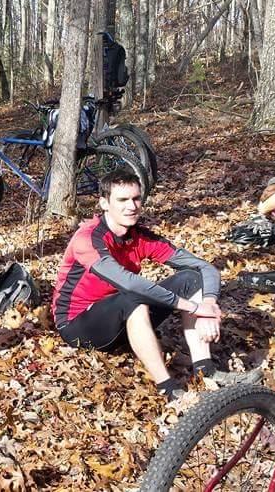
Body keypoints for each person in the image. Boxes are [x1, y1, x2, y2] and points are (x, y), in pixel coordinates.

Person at [52, 169, 262, 400]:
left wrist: (208, 305)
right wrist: (192, 307)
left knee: (191, 279)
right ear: (104, 203)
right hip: (78, 325)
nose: (131, 206)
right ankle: (170, 391)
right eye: (122, 200)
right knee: (133, 296)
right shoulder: (88, 238)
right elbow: (127, 283)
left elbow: (205, 269)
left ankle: (206, 370)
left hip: (123, 316)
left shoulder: (140, 237)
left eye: (136, 198)